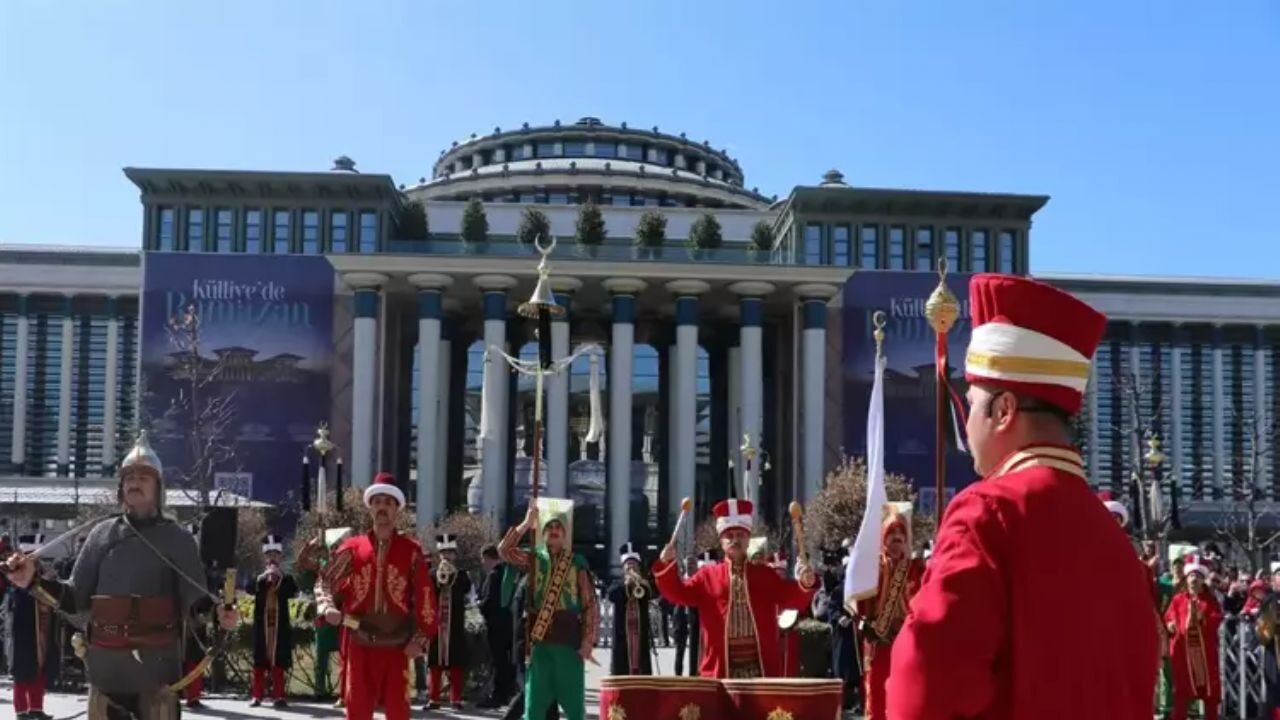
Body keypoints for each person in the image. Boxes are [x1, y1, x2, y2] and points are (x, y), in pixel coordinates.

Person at [885, 274, 1159, 719]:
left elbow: (924, 688)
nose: (966, 422)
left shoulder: (987, 514)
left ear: (1003, 410)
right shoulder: (1114, 539)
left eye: (970, 403)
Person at [2, 432, 238, 720]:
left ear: (158, 487)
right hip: (105, 672)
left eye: (143, 477)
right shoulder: (101, 535)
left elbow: (195, 603)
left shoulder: (178, 540)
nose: (134, 482)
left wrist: (218, 614)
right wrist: (33, 580)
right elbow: (75, 598)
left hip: (157, 672)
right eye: (129, 477)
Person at [315, 472, 438, 720]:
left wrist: (422, 639)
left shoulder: (411, 551)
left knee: (398, 713)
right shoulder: (352, 548)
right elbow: (325, 581)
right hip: (359, 640)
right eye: (378, 502)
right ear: (370, 507)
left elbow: (425, 596)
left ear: (397, 511)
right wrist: (327, 606)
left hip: (397, 647)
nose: (382, 507)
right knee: (357, 710)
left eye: (388, 503)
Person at [653, 498, 818, 679]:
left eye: (740, 535)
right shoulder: (707, 576)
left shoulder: (764, 575)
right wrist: (665, 564)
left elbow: (792, 598)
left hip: (760, 670)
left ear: (748, 539)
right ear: (721, 542)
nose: (735, 540)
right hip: (720, 671)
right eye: (729, 536)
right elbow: (677, 593)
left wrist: (805, 583)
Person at [498, 501, 598, 720]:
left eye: (558, 528)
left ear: (565, 534)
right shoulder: (534, 559)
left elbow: (590, 604)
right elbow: (504, 552)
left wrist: (588, 641)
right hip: (540, 644)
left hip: (569, 644)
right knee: (533, 708)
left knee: (574, 709)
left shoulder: (577, 564)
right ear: (543, 532)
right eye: (549, 528)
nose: (553, 532)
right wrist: (526, 523)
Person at [854, 510, 925, 720]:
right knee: (876, 694)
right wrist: (863, 626)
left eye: (900, 541)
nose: (896, 546)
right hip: (879, 641)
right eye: (892, 540)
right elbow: (857, 605)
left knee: (905, 693)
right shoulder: (872, 567)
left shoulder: (915, 569)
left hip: (906, 640)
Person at [6, 535, 60, 720]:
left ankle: (36, 708)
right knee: (23, 673)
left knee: (39, 670)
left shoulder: (42, 575)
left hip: (41, 629)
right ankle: (22, 711)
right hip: (23, 631)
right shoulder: (16, 575)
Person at [1164, 555, 1223, 720]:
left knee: (1210, 693)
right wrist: (1170, 624)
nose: (1194, 579)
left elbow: (1216, 620)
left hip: (1204, 656)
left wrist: (1201, 618)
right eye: (1191, 575)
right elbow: (1168, 617)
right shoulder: (1178, 600)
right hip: (1183, 654)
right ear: (1186, 578)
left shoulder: (1210, 601)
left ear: (1203, 579)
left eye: (1198, 576)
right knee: (1181, 692)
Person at [251, 534, 298, 708]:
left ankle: (279, 696)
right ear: (265, 557)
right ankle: (257, 696)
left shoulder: (286, 577)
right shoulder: (259, 577)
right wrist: (263, 578)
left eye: (275, 554)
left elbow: (292, 591)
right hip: (262, 626)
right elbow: (250, 589)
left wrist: (280, 577)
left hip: (280, 627)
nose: (272, 557)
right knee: (259, 660)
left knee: (279, 661)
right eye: (269, 554)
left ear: (280, 556)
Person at [427, 533, 472, 710]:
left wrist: (454, 575)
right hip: (437, 624)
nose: (446, 556)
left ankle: (456, 699)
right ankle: (434, 698)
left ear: (455, 554)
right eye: (443, 553)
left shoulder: (462, 575)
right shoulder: (431, 574)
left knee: (456, 662)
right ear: (439, 555)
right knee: (434, 662)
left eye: (450, 552)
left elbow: (467, 590)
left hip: (455, 624)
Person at [606, 542, 655, 676]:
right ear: (623, 567)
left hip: (640, 634)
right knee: (622, 666)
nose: (631, 566)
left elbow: (651, 593)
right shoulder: (617, 583)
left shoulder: (644, 584)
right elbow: (610, 595)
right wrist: (625, 584)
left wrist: (639, 583)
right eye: (628, 564)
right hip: (623, 635)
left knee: (641, 664)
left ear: (638, 566)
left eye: (633, 564)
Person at [477, 543, 514, 708]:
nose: (483, 564)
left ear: (489, 558)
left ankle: (498, 695)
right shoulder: (508, 573)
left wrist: (477, 606)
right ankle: (506, 693)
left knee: (497, 661)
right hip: (508, 623)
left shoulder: (494, 575)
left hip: (496, 625)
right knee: (505, 661)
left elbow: (490, 602)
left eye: (484, 560)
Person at [672, 554, 705, 677]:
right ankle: (678, 674)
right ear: (684, 566)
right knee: (679, 649)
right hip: (681, 619)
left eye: (693, 564)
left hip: (695, 619)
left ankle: (693, 673)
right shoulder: (680, 581)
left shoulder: (699, 580)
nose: (690, 566)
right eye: (688, 564)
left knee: (694, 648)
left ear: (696, 566)